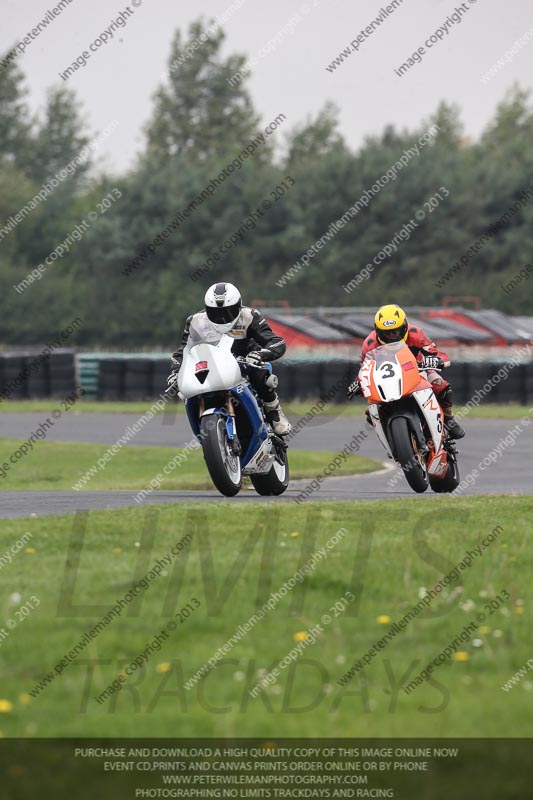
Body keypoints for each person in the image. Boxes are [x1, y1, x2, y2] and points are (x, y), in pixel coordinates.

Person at [168, 282, 291, 435]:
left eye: (228, 311)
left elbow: (275, 341)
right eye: (216, 312)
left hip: (246, 359)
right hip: (214, 364)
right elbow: (183, 351)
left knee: (260, 374)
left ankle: (273, 410)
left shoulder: (249, 316)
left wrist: (261, 354)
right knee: (188, 389)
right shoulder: (196, 322)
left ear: (238, 306)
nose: (221, 317)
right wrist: (176, 371)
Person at [347, 303, 465, 439]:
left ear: (404, 327)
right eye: (387, 333)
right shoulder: (369, 343)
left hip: (418, 370)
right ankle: (389, 439)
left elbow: (438, 353)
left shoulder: (416, 333)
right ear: (378, 331)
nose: (392, 336)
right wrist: (357, 382)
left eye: (395, 331)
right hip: (386, 380)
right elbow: (365, 369)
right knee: (371, 412)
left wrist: (437, 360)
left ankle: (449, 419)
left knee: (441, 386)